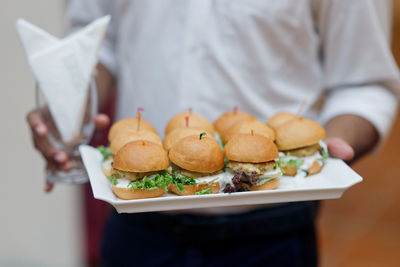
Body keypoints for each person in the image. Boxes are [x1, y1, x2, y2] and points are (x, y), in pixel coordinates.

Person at [27, 0, 399, 266]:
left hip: (270, 236)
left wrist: (331, 147)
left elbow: (365, 83)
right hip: (136, 228)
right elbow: (99, 41)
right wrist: (68, 103)